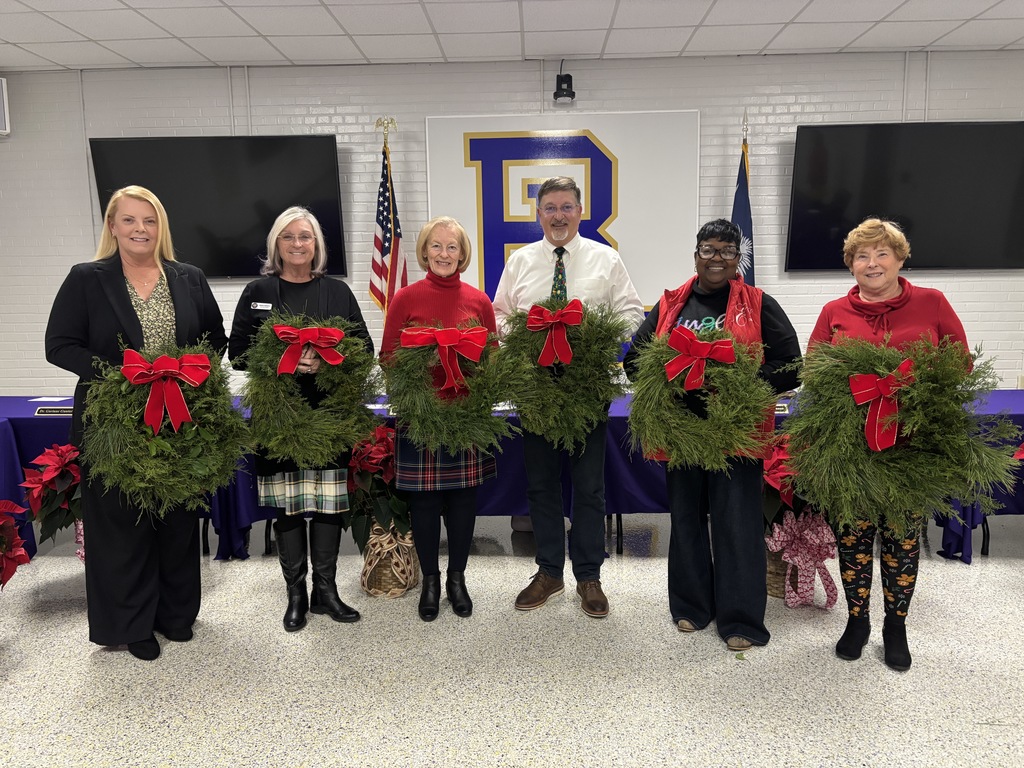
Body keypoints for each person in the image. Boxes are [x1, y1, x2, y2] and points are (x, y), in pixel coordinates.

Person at [45, 185, 227, 661]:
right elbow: (59, 345)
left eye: (148, 221)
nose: (140, 229)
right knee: (121, 528)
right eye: (129, 220)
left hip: (180, 421)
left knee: (177, 523)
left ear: (160, 227)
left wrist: (188, 372)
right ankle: (131, 625)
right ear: (112, 227)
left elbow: (215, 339)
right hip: (112, 424)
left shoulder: (188, 277)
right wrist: (124, 377)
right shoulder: (86, 278)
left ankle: (175, 616)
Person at [623, 218, 801, 651]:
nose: (716, 258)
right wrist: (672, 384)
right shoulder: (669, 306)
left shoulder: (759, 304)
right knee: (685, 522)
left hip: (736, 435)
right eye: (708, 249)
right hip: (683, 434)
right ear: (696, 255)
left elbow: (791, 364)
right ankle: (690, 607)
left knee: (737, 526)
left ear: (738, 259)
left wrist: (739, 385)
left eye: (726, 251)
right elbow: (635, 362)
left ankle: (740, 619)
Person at [808, 217, 968, 671]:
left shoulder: (932, 303)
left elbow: (960, 364)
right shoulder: (834, 312)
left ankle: (895, 626)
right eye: (862, 255)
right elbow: (815, 373)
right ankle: (857, 622)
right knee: (853, 538)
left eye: (882, 253)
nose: (872, 263)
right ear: (851, 265)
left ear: (900, 258)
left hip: (910, 446)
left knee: (901, 539)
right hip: (852, 446)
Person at [493, 176, 644, 618]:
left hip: (587, 388)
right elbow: (500, 314)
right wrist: (523, 336)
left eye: (566, 207)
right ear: (538, 215)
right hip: (537, 389)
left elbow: (633, 312)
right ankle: (548, 572)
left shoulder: (606, 259)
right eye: (549, 208)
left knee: (589, 487)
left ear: (580, 212)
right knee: (541, 486)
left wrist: (596, 336)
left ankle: (589, 576)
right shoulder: (520, 262)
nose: (558, 216)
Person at [229, 206, 371, 632]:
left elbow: (363, 351)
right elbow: (236, 353)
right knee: (288, 509)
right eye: (288, 236)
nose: (297, 244)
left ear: (317, 246)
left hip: (330, 415)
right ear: (277, 243)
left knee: (327, 507)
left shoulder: (337, 292)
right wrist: (282, 362)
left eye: (305, 237)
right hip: (278, 418)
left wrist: (327, 365)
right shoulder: (257, 289)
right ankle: (295, 595)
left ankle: (325, 593)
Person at [381, 216, 498, 621]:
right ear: (425, 251)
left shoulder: (479, 301)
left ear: (462, 254)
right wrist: (429, 357)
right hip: (421, 417)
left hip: (466, 417)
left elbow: (492, 360)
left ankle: (457, 579)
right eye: (436, 246)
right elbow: (388, 356)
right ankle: (430, 581)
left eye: (452, 247)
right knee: (425, 505)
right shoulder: (405, 298)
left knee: (464, 503)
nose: (444, 254)